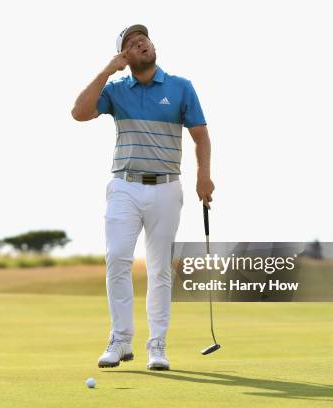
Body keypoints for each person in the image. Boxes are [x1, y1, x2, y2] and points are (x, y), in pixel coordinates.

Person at [71, 24, 214, 370]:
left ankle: (157, 346)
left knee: (159, 269)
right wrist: (107, 71)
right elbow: (79, 112)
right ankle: (120, 341)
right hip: (125, 185)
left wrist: (204, 177)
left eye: (144, 39)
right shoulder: (116, 90)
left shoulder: (181, 87)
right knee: (117, 258)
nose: (141, 44)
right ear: (125, 56)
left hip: (167, 186)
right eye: (133, 44)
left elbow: (200, 137)